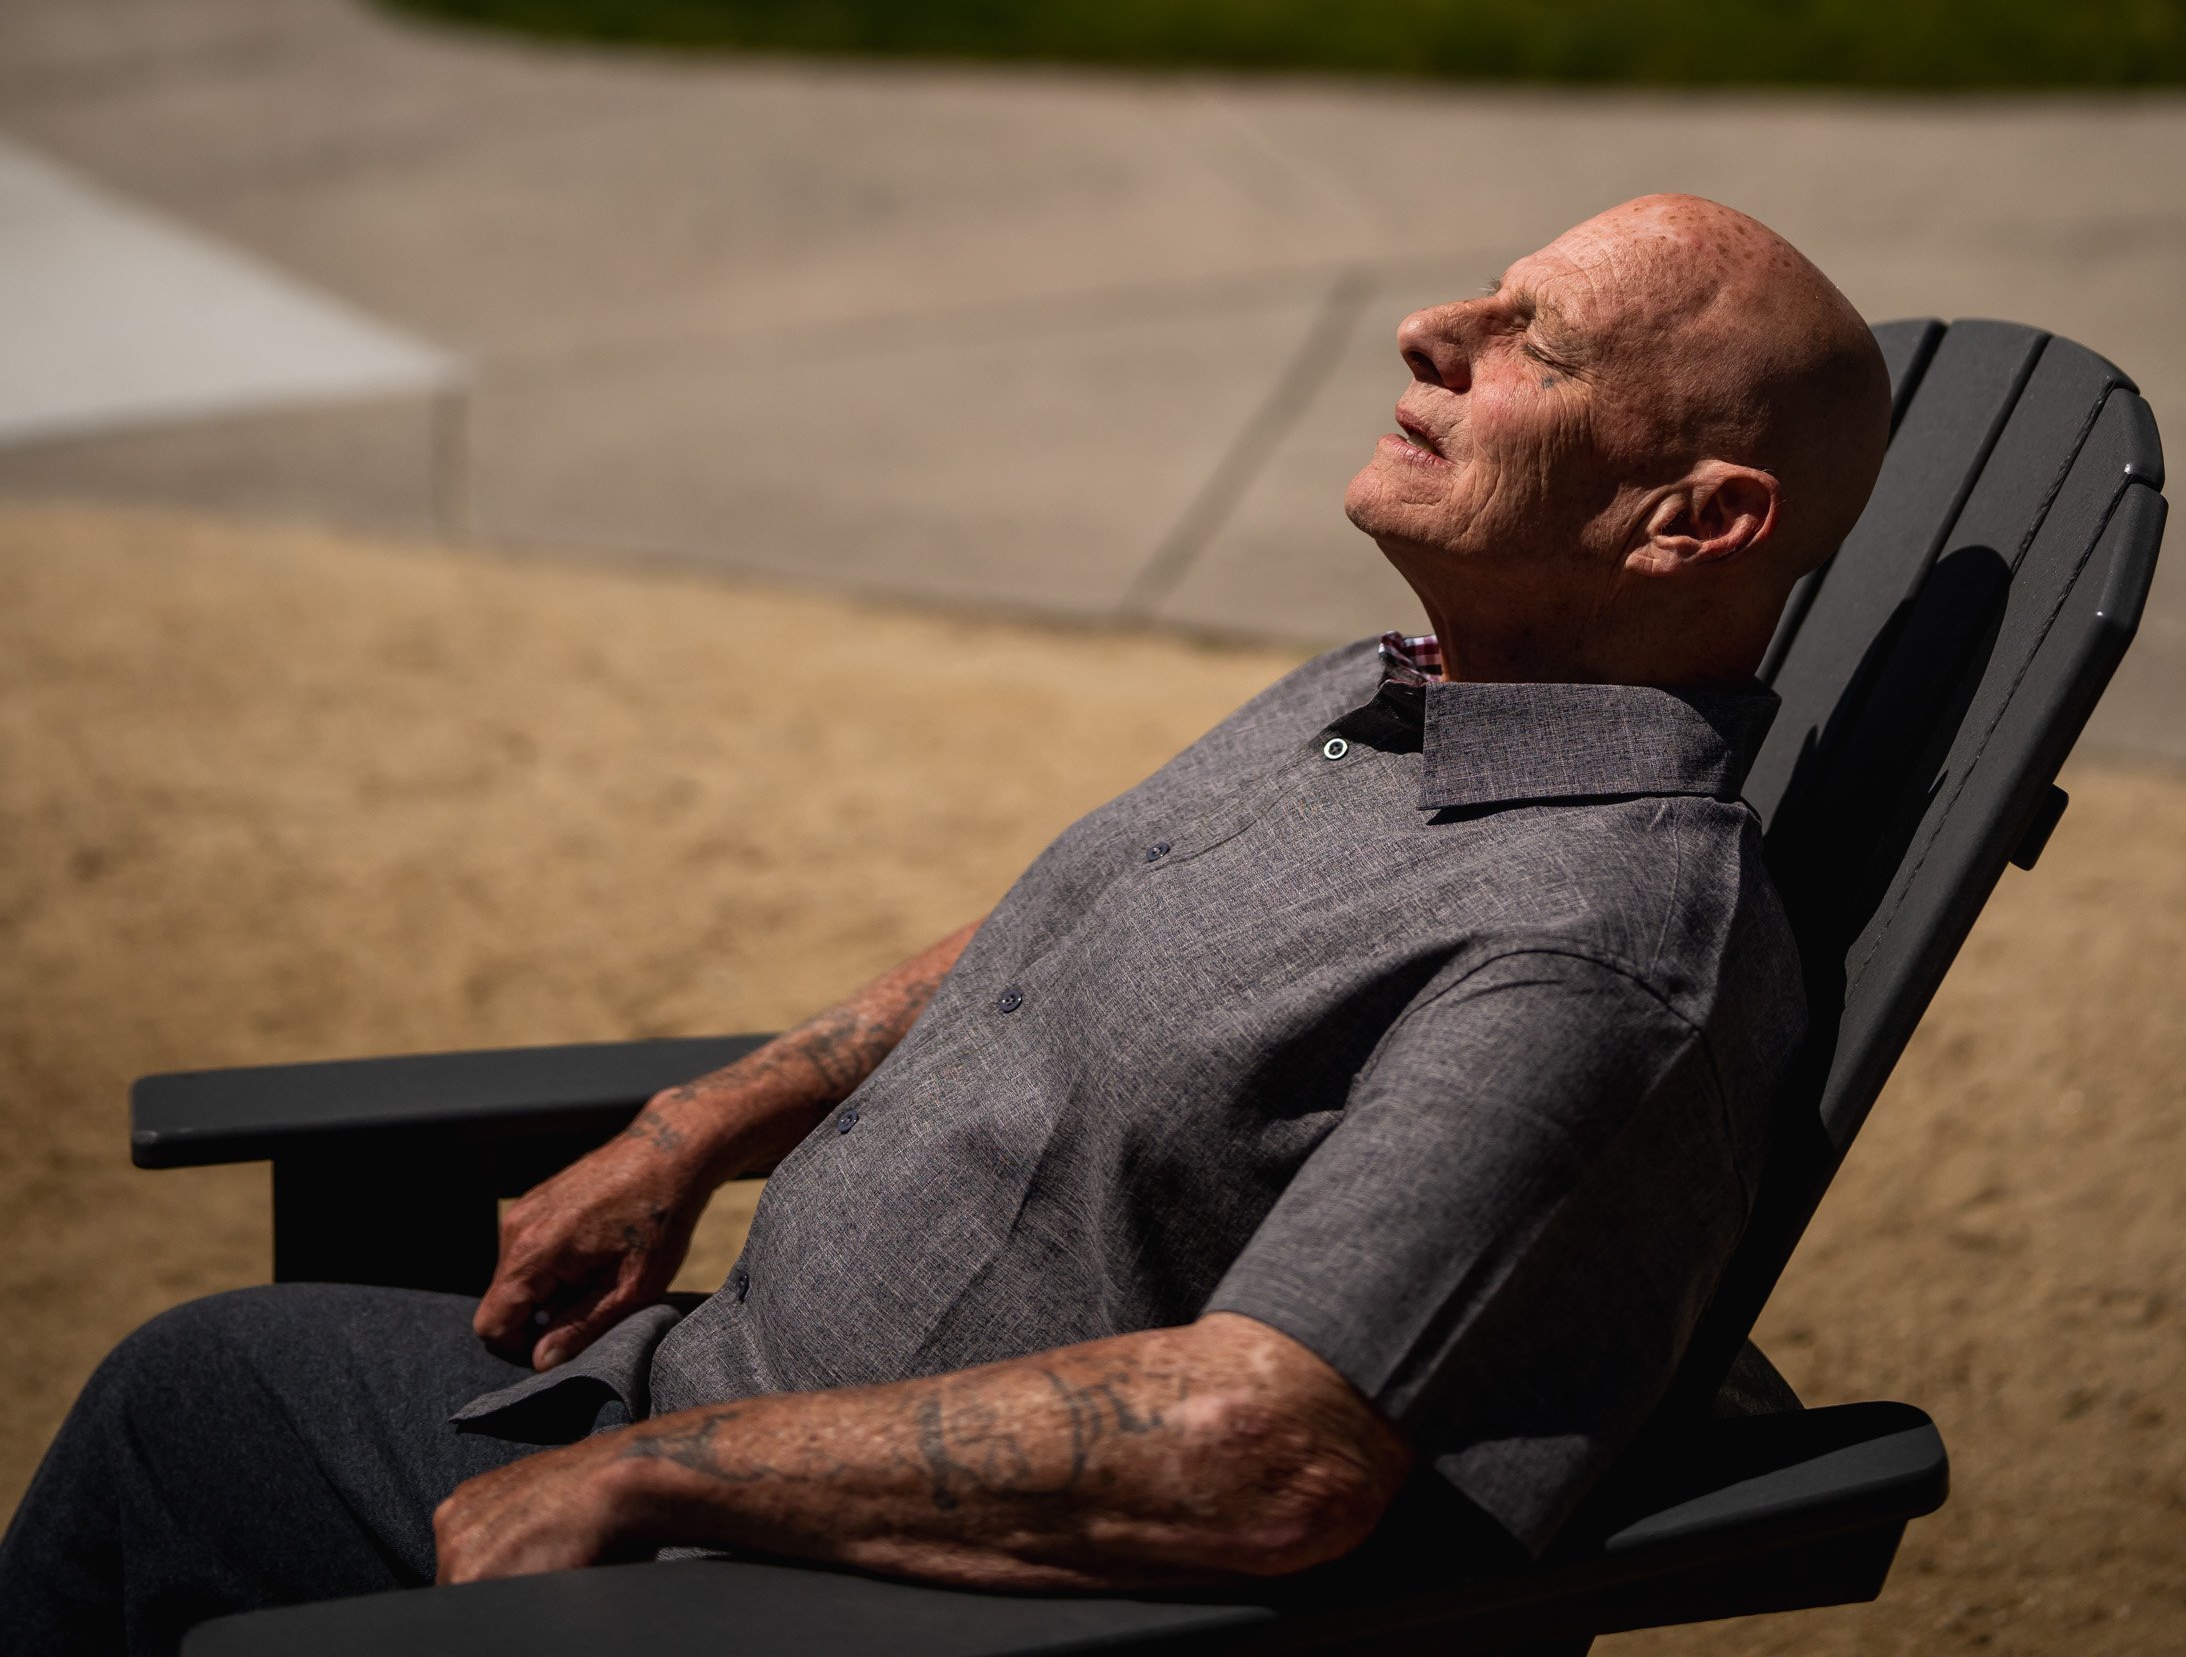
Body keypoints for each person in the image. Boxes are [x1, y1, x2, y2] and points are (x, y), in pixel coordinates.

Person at [1, 193, 1890, 1651]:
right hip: (710, 1408)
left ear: (1692, 524)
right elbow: (1068, 915)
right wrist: (697, 1127)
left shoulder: (1591, 944)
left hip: (849, 1594)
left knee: (191, 1429)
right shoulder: (1400, 696)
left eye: (1528, 344)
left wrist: (675, 1475)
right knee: (202, 1385)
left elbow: (1275, 1450)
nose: (1431, 329)